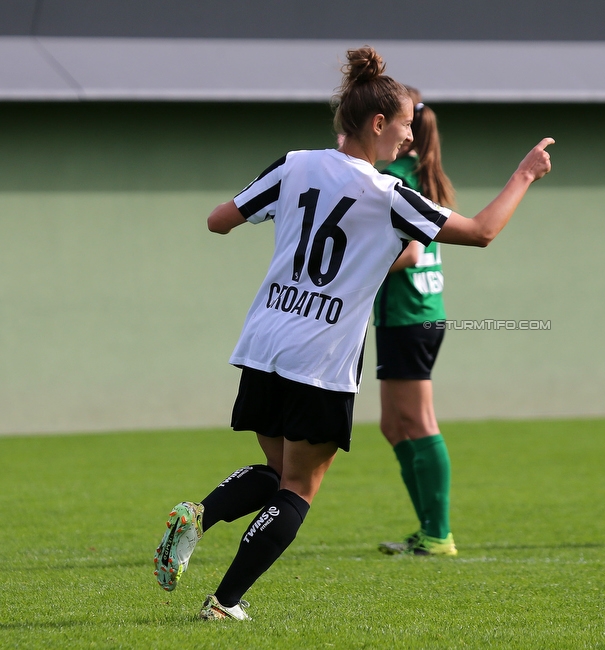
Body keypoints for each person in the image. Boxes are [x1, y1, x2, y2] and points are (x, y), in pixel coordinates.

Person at [152, 45, 554, 620]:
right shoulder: (390, 195)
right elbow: (484, 231)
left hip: (265, 341)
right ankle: (223, 603)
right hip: (322, 356)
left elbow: (219, 221)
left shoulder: (293, 165)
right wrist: (524, 174)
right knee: (298, 488)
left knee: (273, 472)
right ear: (377, 123)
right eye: (407, 127)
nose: (410, 140)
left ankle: (200, 513)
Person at [372, 88, 458, 557]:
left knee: (419, 421)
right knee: (393, 424)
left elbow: (411, 252)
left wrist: (357, 270)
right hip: (404, 316)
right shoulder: (418, 174)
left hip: (410, 316)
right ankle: (427, 528)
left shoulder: (399, 176)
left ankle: (438, 534)